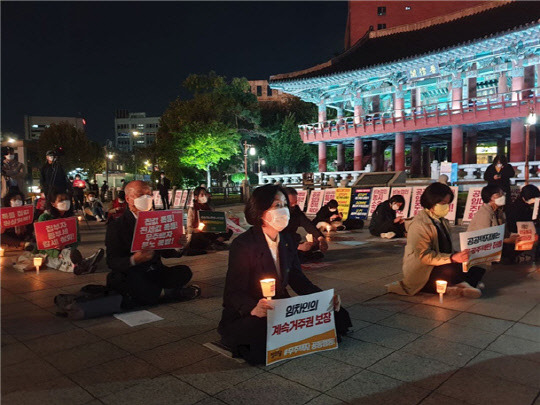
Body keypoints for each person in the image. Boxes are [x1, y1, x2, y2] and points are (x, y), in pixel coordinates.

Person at [218, 184, 352, 365]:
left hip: (280, 308)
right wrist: (253, 307)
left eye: (284, 206)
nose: (284, 211)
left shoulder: (287, 240)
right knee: (259, 338)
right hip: (252, 311)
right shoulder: (243, 245)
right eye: (277, 206)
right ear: (260, 211)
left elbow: (299, 280)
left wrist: (324, 298)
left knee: (337, 315)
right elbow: (233, 292)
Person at [105, 180, 200, 308]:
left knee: (184, 272)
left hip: (155, 271)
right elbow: (112, 261)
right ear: (128, 199)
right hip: (131, 272)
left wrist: (177, 245)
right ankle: (170, 293)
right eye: (140, 194)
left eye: (149, 194)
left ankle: (161, 292)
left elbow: (166, 253)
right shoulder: (117, 226)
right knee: (137, 285)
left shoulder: (157, 220)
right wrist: (134, 260)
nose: (147, 198)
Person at [387, 182, 486, 298]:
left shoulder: (442, 221)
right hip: (424, 268)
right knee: (450, 270)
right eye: (443, 203)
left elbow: (447, 248)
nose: (446, 207)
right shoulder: (419, 224)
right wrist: (452, 258)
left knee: (475, 268)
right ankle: (459, 286)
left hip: (440, 262)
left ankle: (457, 285)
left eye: (448, 203)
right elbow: (424, 256)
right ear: (431, 201)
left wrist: (460, 256)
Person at [36, 191, 104, 274]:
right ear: (53, 203)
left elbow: (77, 238)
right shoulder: (44, 218)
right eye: (61, 200)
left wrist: (68, 245)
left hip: (68, 249)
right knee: (59, 258)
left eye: (67, 199)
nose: (65, 202)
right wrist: (56, 251)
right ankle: (85, 263)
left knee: (67, 253)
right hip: (50, 252)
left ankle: (80, 266)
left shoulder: (71, 219)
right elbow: (42, 241)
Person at [467, 184, 519, 265]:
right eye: (499, 195)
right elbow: (484, 237)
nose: (503, 196)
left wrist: (515, 236)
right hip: (481, 252)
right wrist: (507, 241)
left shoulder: (499, 212)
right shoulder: (484, 213)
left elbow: (505, 233)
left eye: (503, 194)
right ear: (490, 198)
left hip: (496, 246)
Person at [283, 187, 328, 263]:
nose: (294, 205)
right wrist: (297, 247)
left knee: (313, 245)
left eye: (295, 202)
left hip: (292, 240)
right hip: (281, 244)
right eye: (291, 203)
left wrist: (321, 238)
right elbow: (277, 236)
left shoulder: (296, 210)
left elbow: (308, 225)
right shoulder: (277, 214)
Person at [186, 186, 232, 251]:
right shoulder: (192, 209)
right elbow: (189, 229)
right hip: (199, 234)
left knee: (229, 231)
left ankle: (214, 243)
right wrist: (196, 229)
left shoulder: (209, 207)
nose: (204, 196)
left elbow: (214, 223)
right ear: (196, 197)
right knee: (198, 237)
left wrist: (222, 228)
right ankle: (214, 244)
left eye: (205, 194)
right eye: (202, 194)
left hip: (210, 233)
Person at [504, 184, 540, 263]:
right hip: (517, 234)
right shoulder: (515, 208)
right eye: (533, 198)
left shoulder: (527, 205)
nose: (534, 200)